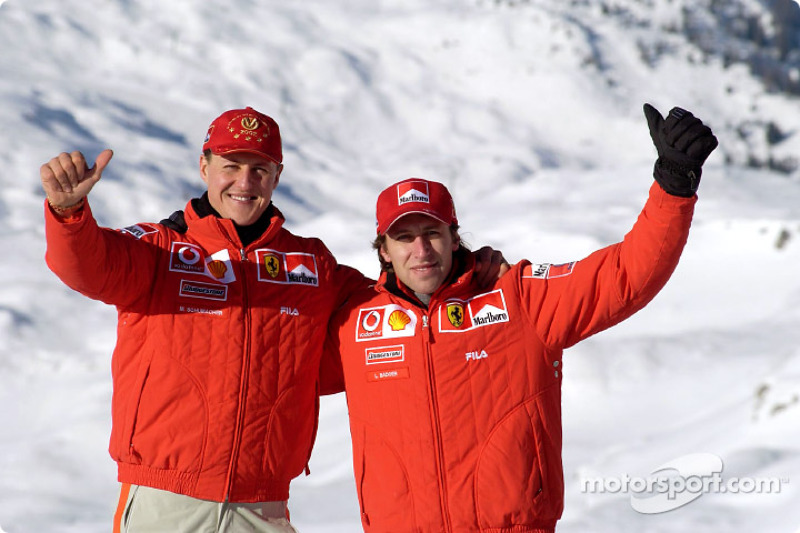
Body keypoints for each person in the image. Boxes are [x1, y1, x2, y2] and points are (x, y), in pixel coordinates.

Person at [40, 106, 505, 533]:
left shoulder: (311, 265)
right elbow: (89, 265)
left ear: (277, 176)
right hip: (166, 500)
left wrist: (464, 269)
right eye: (231, 166)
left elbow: (395, 304)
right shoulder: (160, 249)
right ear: (204, 168)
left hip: (262, 506)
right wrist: (68, 214)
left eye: (260, 169)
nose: (245, 181)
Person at [326, 103, 719, 533]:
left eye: (432, 234)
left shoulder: (518, 300)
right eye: (403, 238)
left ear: (454, 239)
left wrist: (674, 185)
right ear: (382, 248)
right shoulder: (353, 325)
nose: (420, 251)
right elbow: (269, 357)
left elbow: (624, 277)